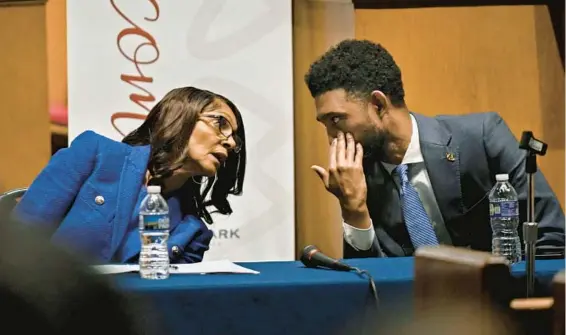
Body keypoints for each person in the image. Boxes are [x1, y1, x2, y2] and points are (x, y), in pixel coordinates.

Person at [303, 39, 565, 258]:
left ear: (378, 105)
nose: (331, 138)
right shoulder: (357, 178)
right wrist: (354, 209)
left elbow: (552, 238)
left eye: (336, 120)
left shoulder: (483, 137)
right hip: (418, 317)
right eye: (325, 123)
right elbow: (368, 287)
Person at [12, 86, 247, 264]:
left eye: (235, 138)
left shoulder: (193, 233)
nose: (229, 142)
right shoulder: (95, 153)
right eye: (221, 123)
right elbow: (19, 241)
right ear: (180, 115)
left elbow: (173, 302)